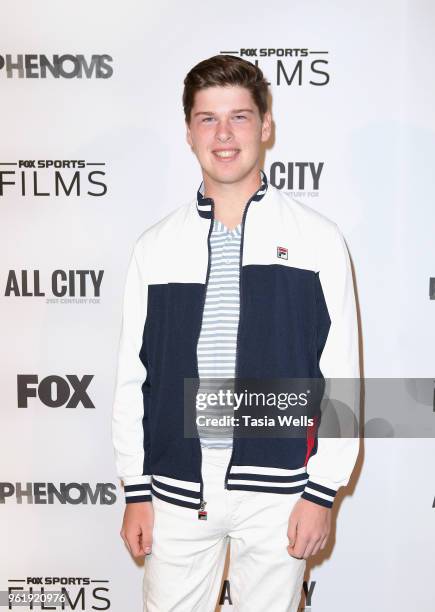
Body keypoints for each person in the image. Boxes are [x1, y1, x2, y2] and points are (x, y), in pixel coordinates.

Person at [111, 54, 360, 612]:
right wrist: (136, 489)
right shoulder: (155, 246)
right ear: (189, 132)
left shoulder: (318, 239)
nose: (224, 135)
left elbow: (342, 375)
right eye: (208, 119)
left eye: (240, 117)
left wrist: (321, 492)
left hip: (281, 491)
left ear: (266, 126)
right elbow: (133, 377)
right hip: (175, 490)